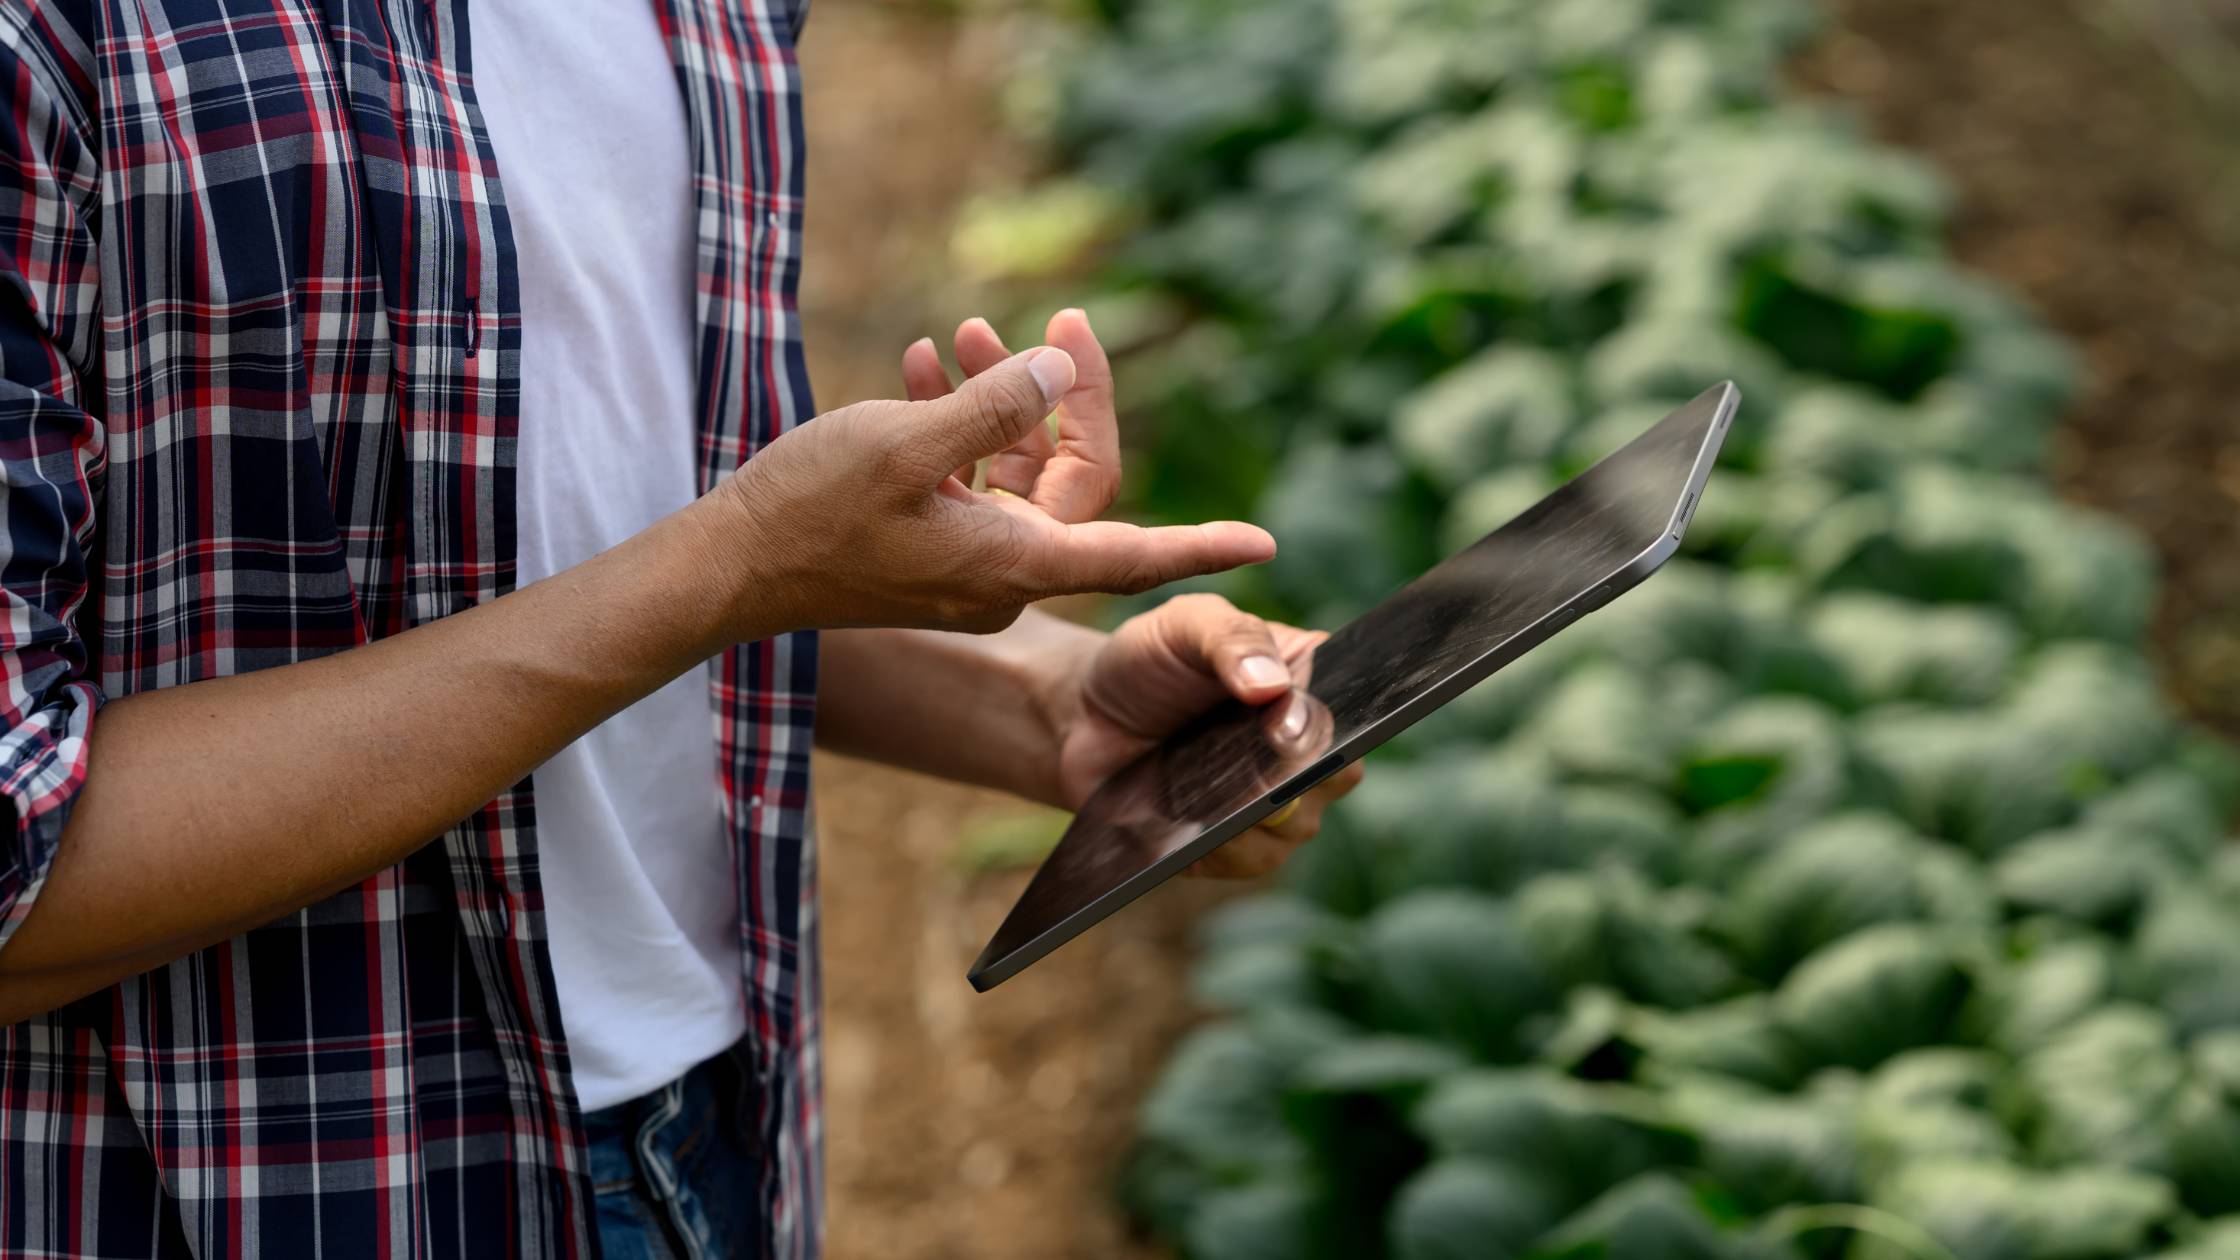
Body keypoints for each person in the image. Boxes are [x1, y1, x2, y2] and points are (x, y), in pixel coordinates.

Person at [0, 0, 1361, 1256]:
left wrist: (1045, 704)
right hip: (278, 1186)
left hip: (711, 1134)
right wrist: (743, 558)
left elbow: (577, 526)